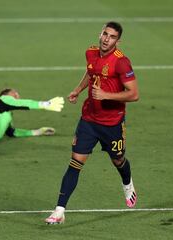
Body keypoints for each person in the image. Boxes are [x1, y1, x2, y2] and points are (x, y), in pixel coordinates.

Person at [45, 21, 139, 224]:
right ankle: (60, 210)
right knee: (75, 162)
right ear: (100, 34)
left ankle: (127, 183)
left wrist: (106, 94)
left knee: (118, 160)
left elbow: (134, 94)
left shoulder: (122, 62)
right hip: (88, 119)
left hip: (112, 123)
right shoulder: (91, 52)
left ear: (118, 40)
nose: (107, 39)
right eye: (105, 34)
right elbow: (91, 72)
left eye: (112, 36)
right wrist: (78, 90)